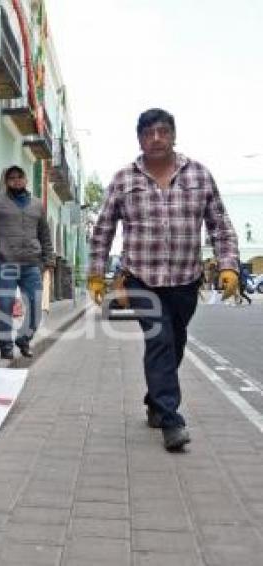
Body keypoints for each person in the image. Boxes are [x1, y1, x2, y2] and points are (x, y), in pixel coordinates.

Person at [87, 108, 240, 451]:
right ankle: (172, 421)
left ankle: (156, 401)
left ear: (173, 135)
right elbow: (102, 231)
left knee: (176, 340)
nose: (155, 138)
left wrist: (229, 265)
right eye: (148, 133)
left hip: (186, 278)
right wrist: (97, 275)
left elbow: (220, 226)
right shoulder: (124, 180)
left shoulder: (200, 175)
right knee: (159, 340)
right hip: (140, 277)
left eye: (162, 131)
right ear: (139, 139)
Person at [0, 164, 54, 359]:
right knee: (5, 305)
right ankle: (5, 344)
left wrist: (49, 259)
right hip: (5, 262)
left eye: (19, 177)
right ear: (6, 181)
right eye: (12, 178)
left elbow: (44, 234)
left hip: (31, 264)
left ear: (26, 180)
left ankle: (24, 338)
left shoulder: (37, 205)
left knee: (35, 305)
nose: (16, 181)